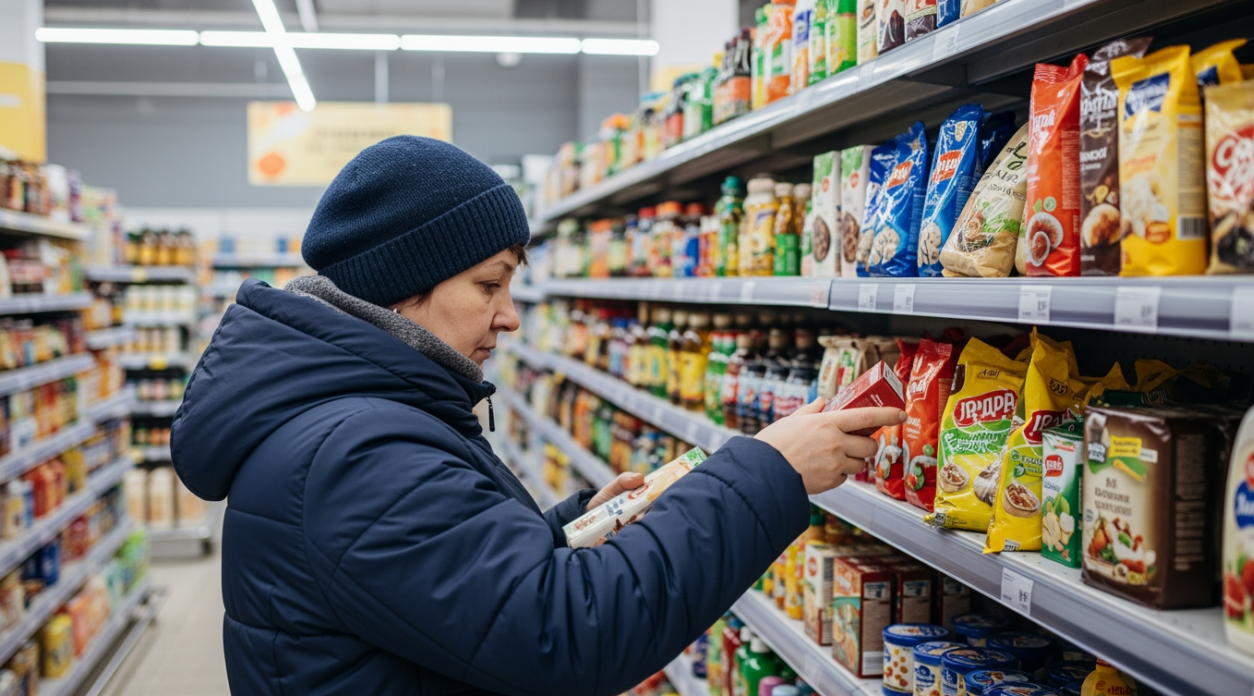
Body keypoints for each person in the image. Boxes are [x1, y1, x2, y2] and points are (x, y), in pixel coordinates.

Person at [171, 136, 904, 696]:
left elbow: (431, 587)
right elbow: (569, 634)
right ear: (399, 286)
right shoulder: (354, 451)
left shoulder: (350, 416)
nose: (510, 316)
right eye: (490, 283)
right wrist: (769, 473)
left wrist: (570, 532)